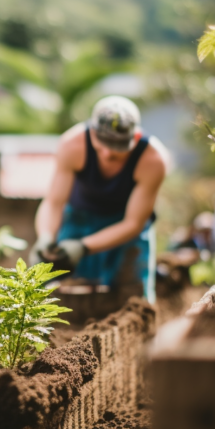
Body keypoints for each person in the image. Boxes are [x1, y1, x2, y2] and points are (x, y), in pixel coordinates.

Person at [30, 96, 168, 302]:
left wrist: (83, 247)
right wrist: (46, 237)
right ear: (91, 131)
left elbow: (133, 223)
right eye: (101, 145)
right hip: (78, 219)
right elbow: (54, 202)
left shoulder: (153, 160)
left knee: (134, 300)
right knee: (48, 290)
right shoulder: (72, 145)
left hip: (125, 227)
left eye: (117, 147)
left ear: (136, 137)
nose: (106, 154)